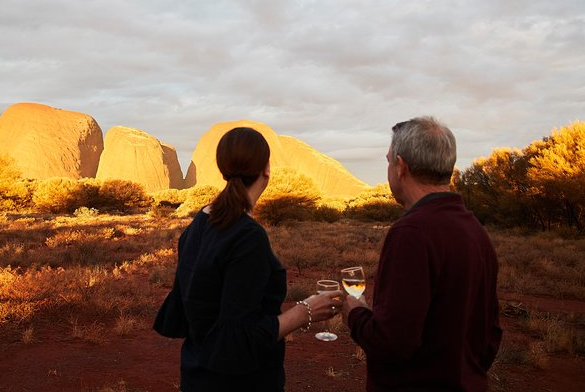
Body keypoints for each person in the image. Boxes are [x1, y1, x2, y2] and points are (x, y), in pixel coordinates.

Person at [154, 126, 343, 392]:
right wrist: (306, 310)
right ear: (266, 168)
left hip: (197, 375)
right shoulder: (246, 236)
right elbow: (237, 337)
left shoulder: (199, 223)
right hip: (240, 381)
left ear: (223, 171)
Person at [341, 116, 502, 392]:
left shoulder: (412, 233)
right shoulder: (475, 230)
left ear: (401, 167)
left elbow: (391, 343)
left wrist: (355, 314)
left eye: (388, 160)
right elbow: (491, 336)